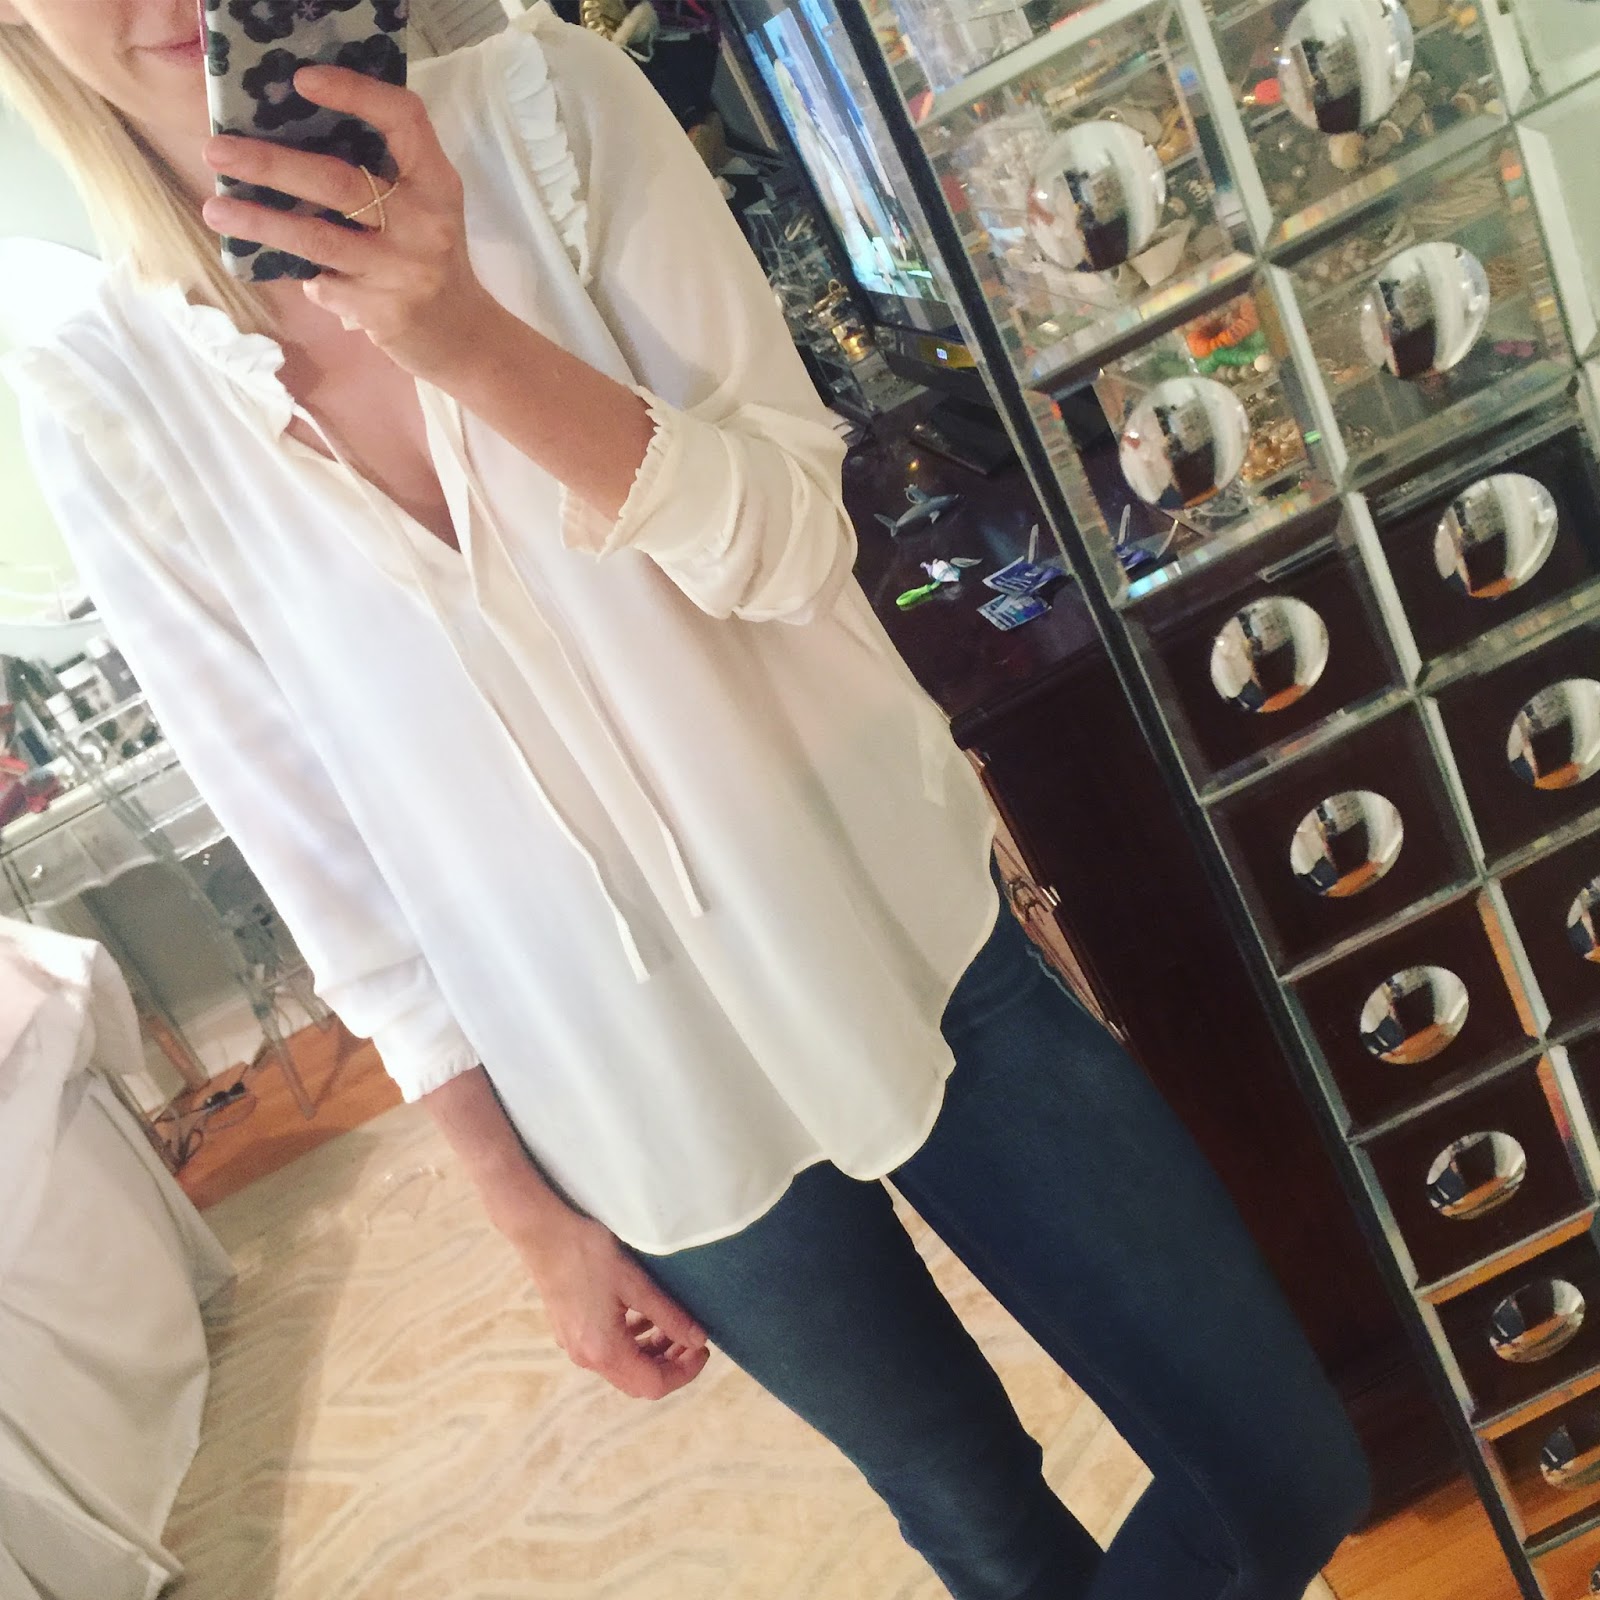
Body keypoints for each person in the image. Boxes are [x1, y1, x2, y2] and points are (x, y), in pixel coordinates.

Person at [0, 4, 1371, 1594]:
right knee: (983, 1529)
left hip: (901, 940)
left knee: (1285, 1469)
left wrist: (465, 337)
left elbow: (792, 546)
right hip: (618, 1079)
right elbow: (320, 854)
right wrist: (525, 1215)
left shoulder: (550, 114)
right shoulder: (103, 383)